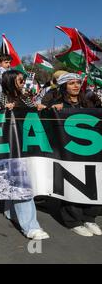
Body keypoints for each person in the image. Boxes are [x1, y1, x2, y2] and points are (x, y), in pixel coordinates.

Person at [0, 70, 50, 240]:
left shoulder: (26, 98)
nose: (23, 82)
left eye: (23, 79)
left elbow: (33, 117)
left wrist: (40, 109)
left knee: (15, 181)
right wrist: (3, 111)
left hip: (27, 146)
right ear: (10, 81)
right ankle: (31, 227)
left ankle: (11, 212)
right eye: (20, 80)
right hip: (9, 148)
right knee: (22, 183)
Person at [40, 72, 102, 237]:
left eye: (77, 83)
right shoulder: (57, 103)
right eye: (71, 83)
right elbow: (42, 118)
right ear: (63, 86)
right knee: (72, 184)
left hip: (91, 152)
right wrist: (51, 109)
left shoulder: (88, 102)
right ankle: (73, 220)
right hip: (68, 154)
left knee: (93, 183)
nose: (76, 86)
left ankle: (90, 217)